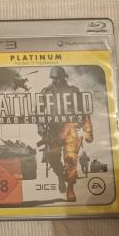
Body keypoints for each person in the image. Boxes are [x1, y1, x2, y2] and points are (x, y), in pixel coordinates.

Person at [37, 67, 93, 202]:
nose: (55, 81)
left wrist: (88, 130)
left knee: (71, 160)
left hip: (70, 129)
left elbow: (84, 111)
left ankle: (70, 188)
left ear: (64, 77)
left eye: (57, 78)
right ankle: (60, 177)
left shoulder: (73, 91)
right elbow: (39, 112)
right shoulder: (46, 92)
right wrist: (40, 126)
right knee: (52, 158)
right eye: (53, 78)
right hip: (52, 131)